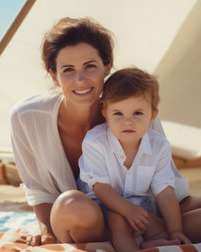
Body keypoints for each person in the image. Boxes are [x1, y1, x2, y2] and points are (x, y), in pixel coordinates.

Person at [10, 16, 201, 247]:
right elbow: (38, 189)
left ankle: (151, 233)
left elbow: (164, 182)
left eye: (90, 66)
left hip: (148, 210)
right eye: (67, 70)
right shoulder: (27, 118)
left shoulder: (133, 110)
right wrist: (46, 230)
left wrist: (166, 221)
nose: (81, 79)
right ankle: (136, 233)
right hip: (90, 216)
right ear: (54, 76)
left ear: (107, 65)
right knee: (70, 205)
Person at [79, 68, 191, 251]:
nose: (128, 121)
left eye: (138, 113)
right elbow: (100, 187)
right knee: (118, 217)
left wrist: (175, 230)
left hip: (139, 208)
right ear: (106, 115)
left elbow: (165, 192)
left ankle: (153, 242)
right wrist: (127, 210)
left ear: (152, 116)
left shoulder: (159, 145)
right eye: (118, 114)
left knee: (154, 222)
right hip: (102, 208)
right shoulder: (95, 142)